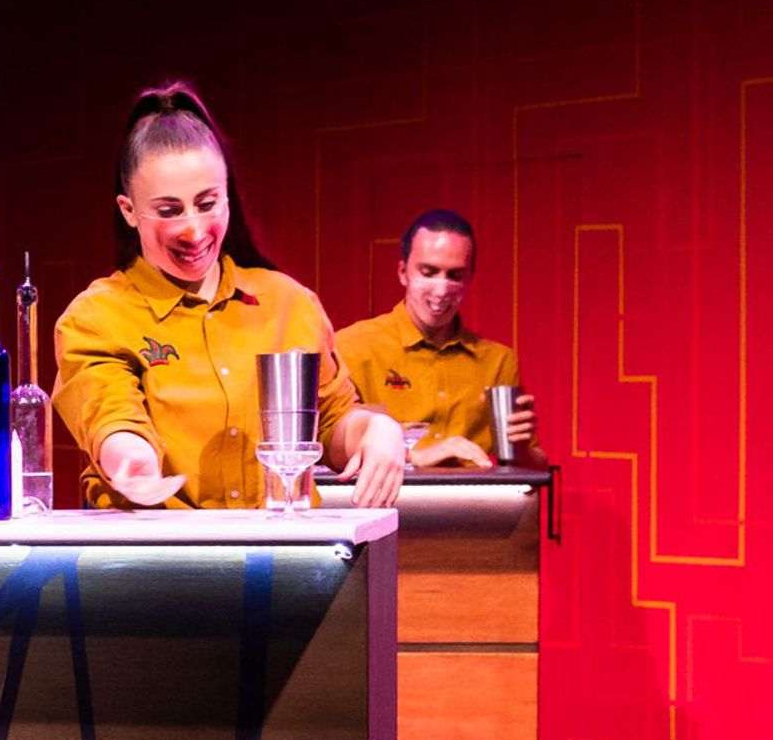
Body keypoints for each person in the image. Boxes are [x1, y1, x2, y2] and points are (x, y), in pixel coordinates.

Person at [56, 83, 408, 510]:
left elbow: (331, 423)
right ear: (129, 210)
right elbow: (108, 411)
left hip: (283, 560)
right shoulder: (98, 315)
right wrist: (130, 458)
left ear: (228, 197)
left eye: (207, 203)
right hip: (158, 561)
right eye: (170, 211)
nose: (194, 229)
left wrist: (379, 431)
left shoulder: (288, 303)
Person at [331, 209, 535, 467]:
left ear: (469, 278)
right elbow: (327, 452)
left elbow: (527, 472)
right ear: (403, 272)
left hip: (472, 504)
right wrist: (413, 457)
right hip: (385, 502)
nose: (441, 290)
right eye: (428, 272)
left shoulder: (498, 361)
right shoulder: (351, 347)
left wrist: (520, 447)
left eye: (454, 276)